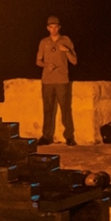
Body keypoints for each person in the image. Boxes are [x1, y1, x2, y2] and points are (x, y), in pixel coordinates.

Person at [36, 16, 78, 145]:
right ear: (47, 28)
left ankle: (69, 136)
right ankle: (46, 136)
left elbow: (74, 61)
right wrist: (46, 65)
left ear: (59, 27)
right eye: (51, 27)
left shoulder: (65, 40)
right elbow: (38, 61)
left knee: (65, 109)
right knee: (48, 109)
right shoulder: (44, 42)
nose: (53, 30)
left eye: (56, 27)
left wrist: (67, 50)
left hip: (62, 80)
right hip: (47, 81)